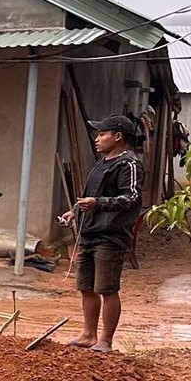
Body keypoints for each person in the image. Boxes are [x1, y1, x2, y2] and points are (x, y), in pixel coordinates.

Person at [59, 115, 144, 352]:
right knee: (85, 286)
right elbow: (91, 194)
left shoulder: (129, 165)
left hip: (110, 236)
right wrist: (75, 211)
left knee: (107, 289)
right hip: (89, 233)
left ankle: (105, 340)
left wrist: (98, 203)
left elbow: (132, 198)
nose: (97, 139)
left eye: (102, 134)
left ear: (118, 137)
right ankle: (88, 335)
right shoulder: (102, 162)